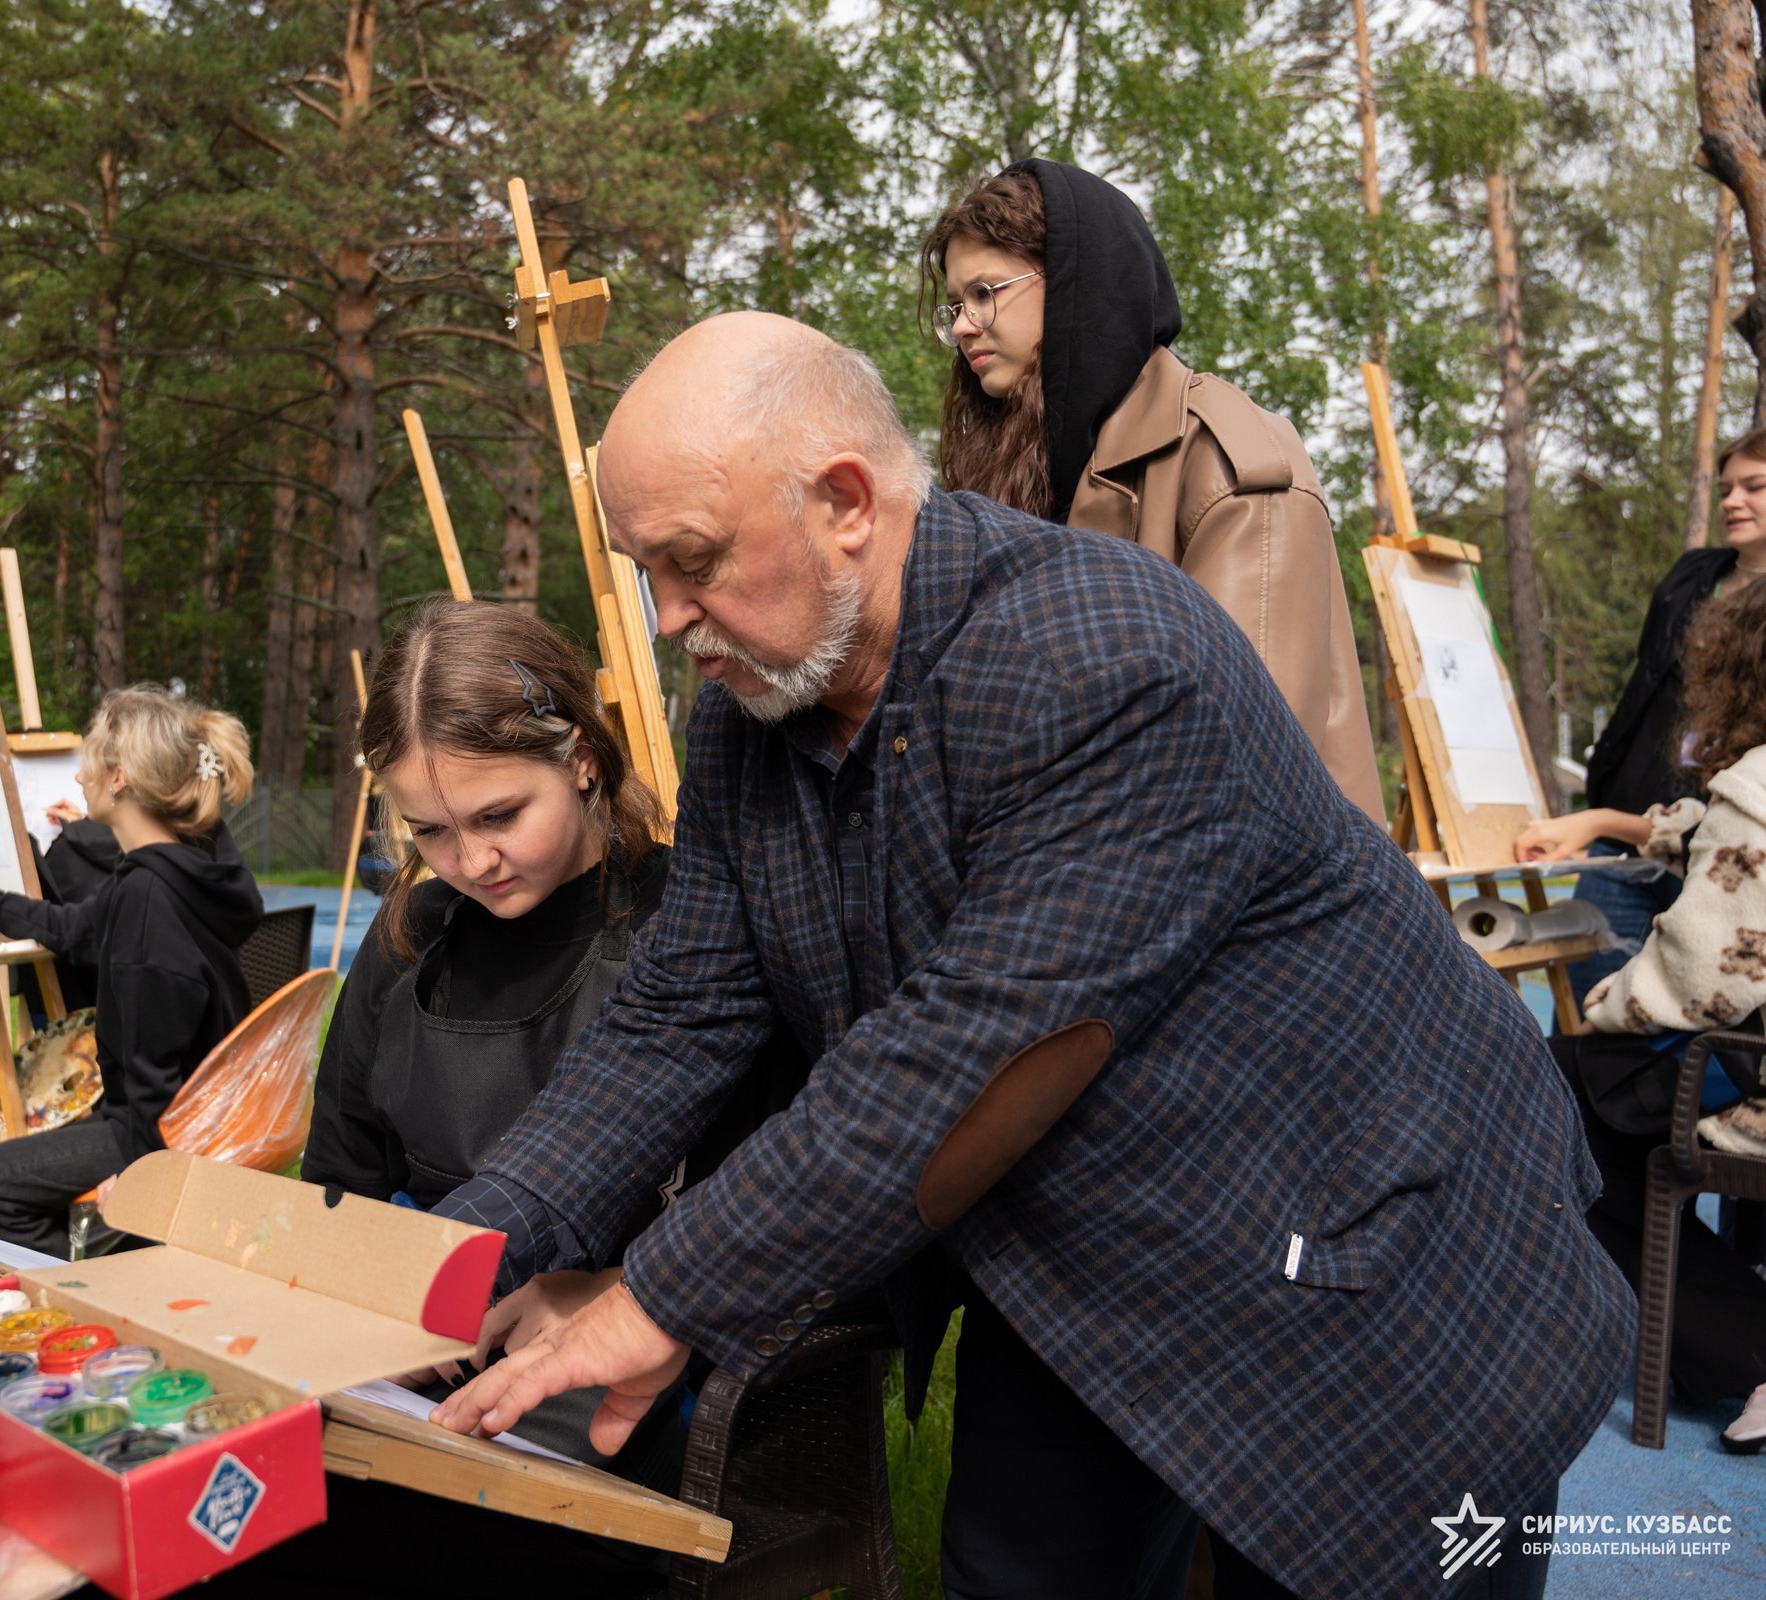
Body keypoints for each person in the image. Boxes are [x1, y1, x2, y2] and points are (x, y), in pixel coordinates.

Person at [420, 312, 1630, 1600]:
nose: (665, 619)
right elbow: (675, 1017)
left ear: (844, 503)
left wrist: (655, 1296)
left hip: (1364, 1252)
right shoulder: (745, 722)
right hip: (1086, 1249)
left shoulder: (1104, 655)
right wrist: (457, 1259)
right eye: (639, 568)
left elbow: (956, 1061)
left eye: (693, 561)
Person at [216, 603, 799, 1598]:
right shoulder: (409, 937)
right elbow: (341, 1184)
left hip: (647, 1365)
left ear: (579, 756)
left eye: (498, 816)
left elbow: (775, 1199)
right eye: (429, 830)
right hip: (425, 1341)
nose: (469, 862)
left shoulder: (686, 930)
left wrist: (624, 1285)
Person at [921, 160, 1383, 821]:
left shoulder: (1227, 462)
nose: (964, 325)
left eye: (986, 292)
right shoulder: (1024, 476)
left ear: (1079, 284)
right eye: (956, 305)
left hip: (1260, 910)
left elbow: (1239, 771)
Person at [1519, 574, 1766, 1456]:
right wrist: (1601, 823)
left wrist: (1605, 1001)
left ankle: (1749, 1350)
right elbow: (1706, 833)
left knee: (1539, 1103)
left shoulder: (1758, 785)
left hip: (1752, 1076)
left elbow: (1706, 979)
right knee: (1580, 1100)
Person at [0, 685, 262, 1255]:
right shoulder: (182, 870)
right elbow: (72, 929)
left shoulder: (148, 898)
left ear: (118, 778)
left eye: (88, 761)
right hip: (199, 1114)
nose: (79, 776)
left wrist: (140, 1187)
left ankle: (95, 1287)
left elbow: (153, 1079)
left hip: (166, 1133)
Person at [1562, 428, 1766, 994]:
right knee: (1589, 998)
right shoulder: (1691, 577)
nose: (1732, 502)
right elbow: (1643, 693)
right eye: (1726, 488)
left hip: (1725, 846)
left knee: (1686, 1019)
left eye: (1755, 486)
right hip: (1633, 827)